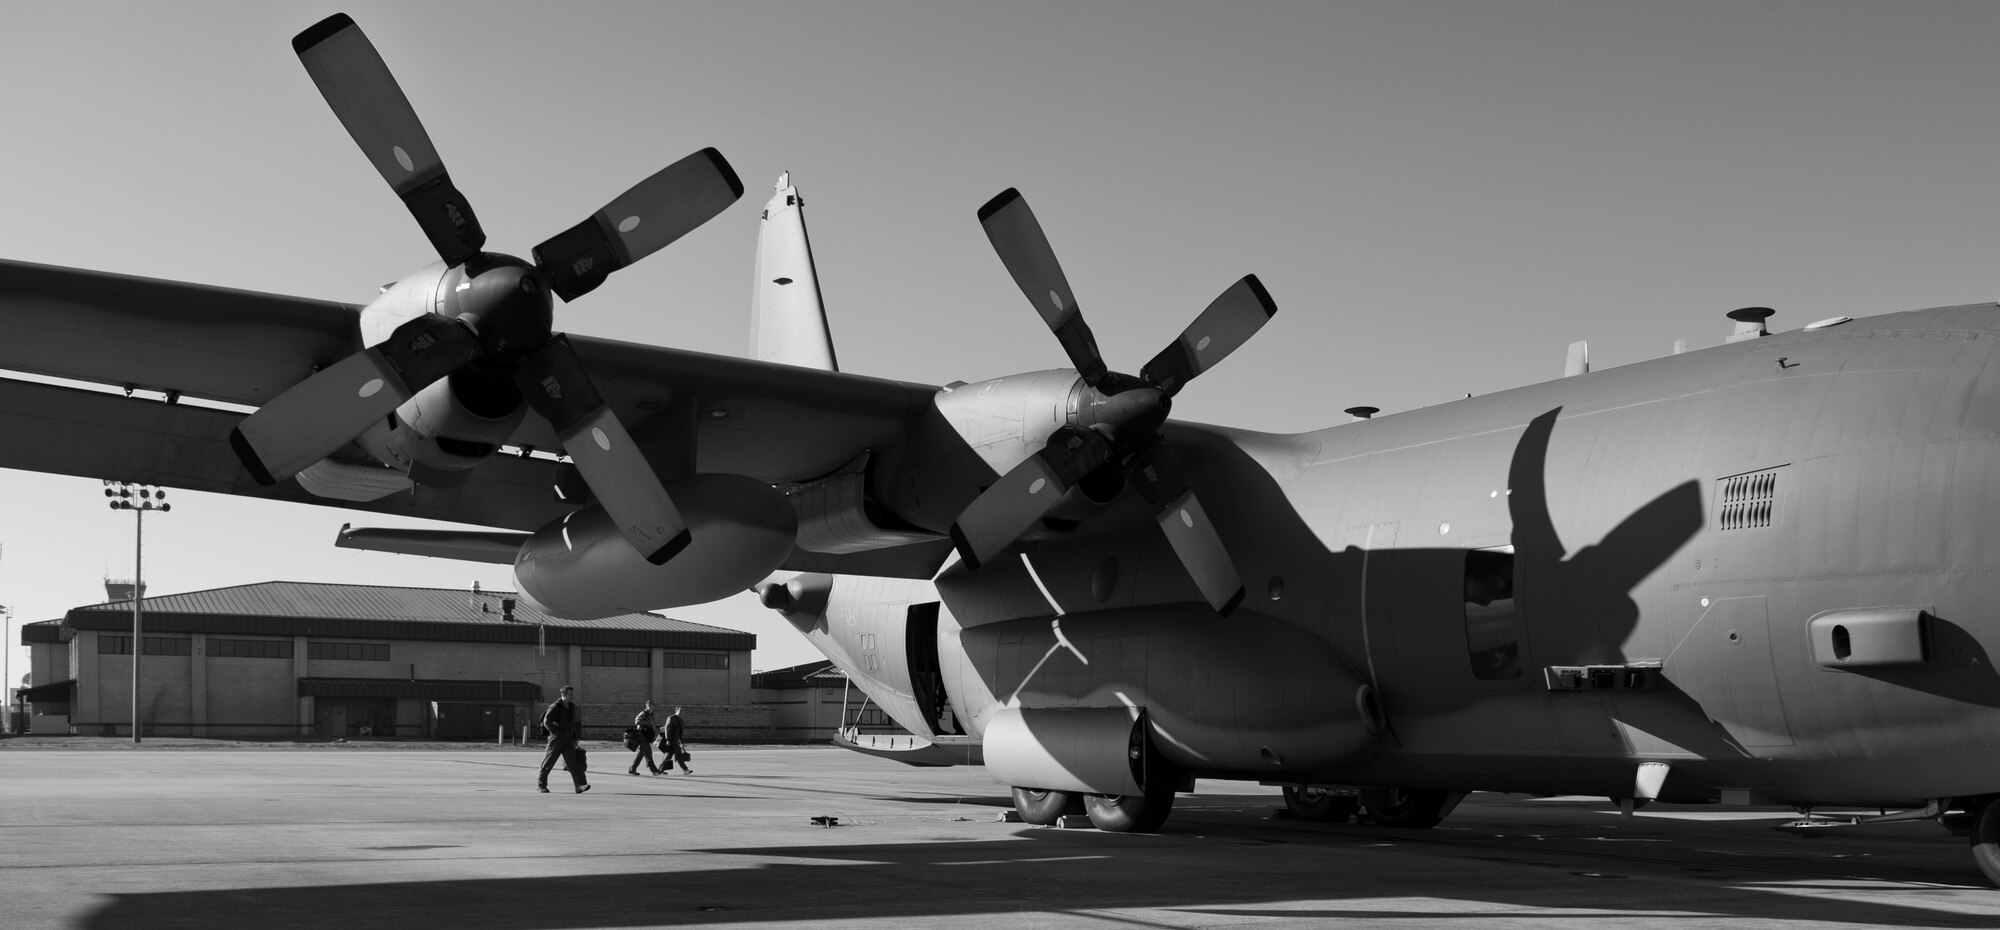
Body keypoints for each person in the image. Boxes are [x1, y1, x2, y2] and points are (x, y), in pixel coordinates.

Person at [537, 685, 590, 794]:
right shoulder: (556, 706)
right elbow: (547, 722)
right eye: (570, 695)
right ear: (563, 695)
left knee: (574, 764)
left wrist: (574, 738)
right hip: (556, 740)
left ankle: (580, 785)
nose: (572, 697)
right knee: (548, 763)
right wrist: (557, 733)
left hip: (568, 740)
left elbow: (572, 724)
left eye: (572, 695)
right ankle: (541, 785)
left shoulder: (571, 707)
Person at [628, 700, 663, 776]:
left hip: (648, 736)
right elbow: (637, 721)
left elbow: (653, 726)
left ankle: (632, 769)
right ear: (647, 706)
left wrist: (656, 733)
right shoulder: (643, 713)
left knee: (641, 754)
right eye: (650, 705)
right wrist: (647, 723)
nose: (652, 707)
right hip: (642, 736)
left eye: (653, 706)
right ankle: (654, 770)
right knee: (648, 753)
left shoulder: (652, 715)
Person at [661, 706, 693, 774]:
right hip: (671, 739)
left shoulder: (681, 720)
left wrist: (682, 742)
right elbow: (667, 729)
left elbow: (680, 732)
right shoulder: (671, 718)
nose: (682, 712)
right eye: (681, 710)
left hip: (676, 740)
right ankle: (685, 770)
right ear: (676, 710)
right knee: (678, 755)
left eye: (684, 711)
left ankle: (661, 769)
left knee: (669, 755)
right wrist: (668, 739)